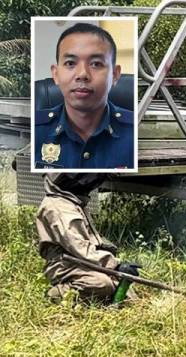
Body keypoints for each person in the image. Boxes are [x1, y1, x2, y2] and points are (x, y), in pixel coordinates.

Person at [34, 22, 133, 169]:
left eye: (96, 64)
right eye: (70, 63)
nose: (82, 74)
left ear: (115, 74)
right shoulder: (35, 130)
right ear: (56, 74)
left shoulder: (133, 132)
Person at [36, 173, 137, 304]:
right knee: (101, 284)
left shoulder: (72, 202)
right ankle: (56, 294)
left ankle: (100, 300)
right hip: (64, 265)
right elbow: (79, 247)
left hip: (81, 261)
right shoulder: (57, 207)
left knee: (126, 292)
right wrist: (115, 265)